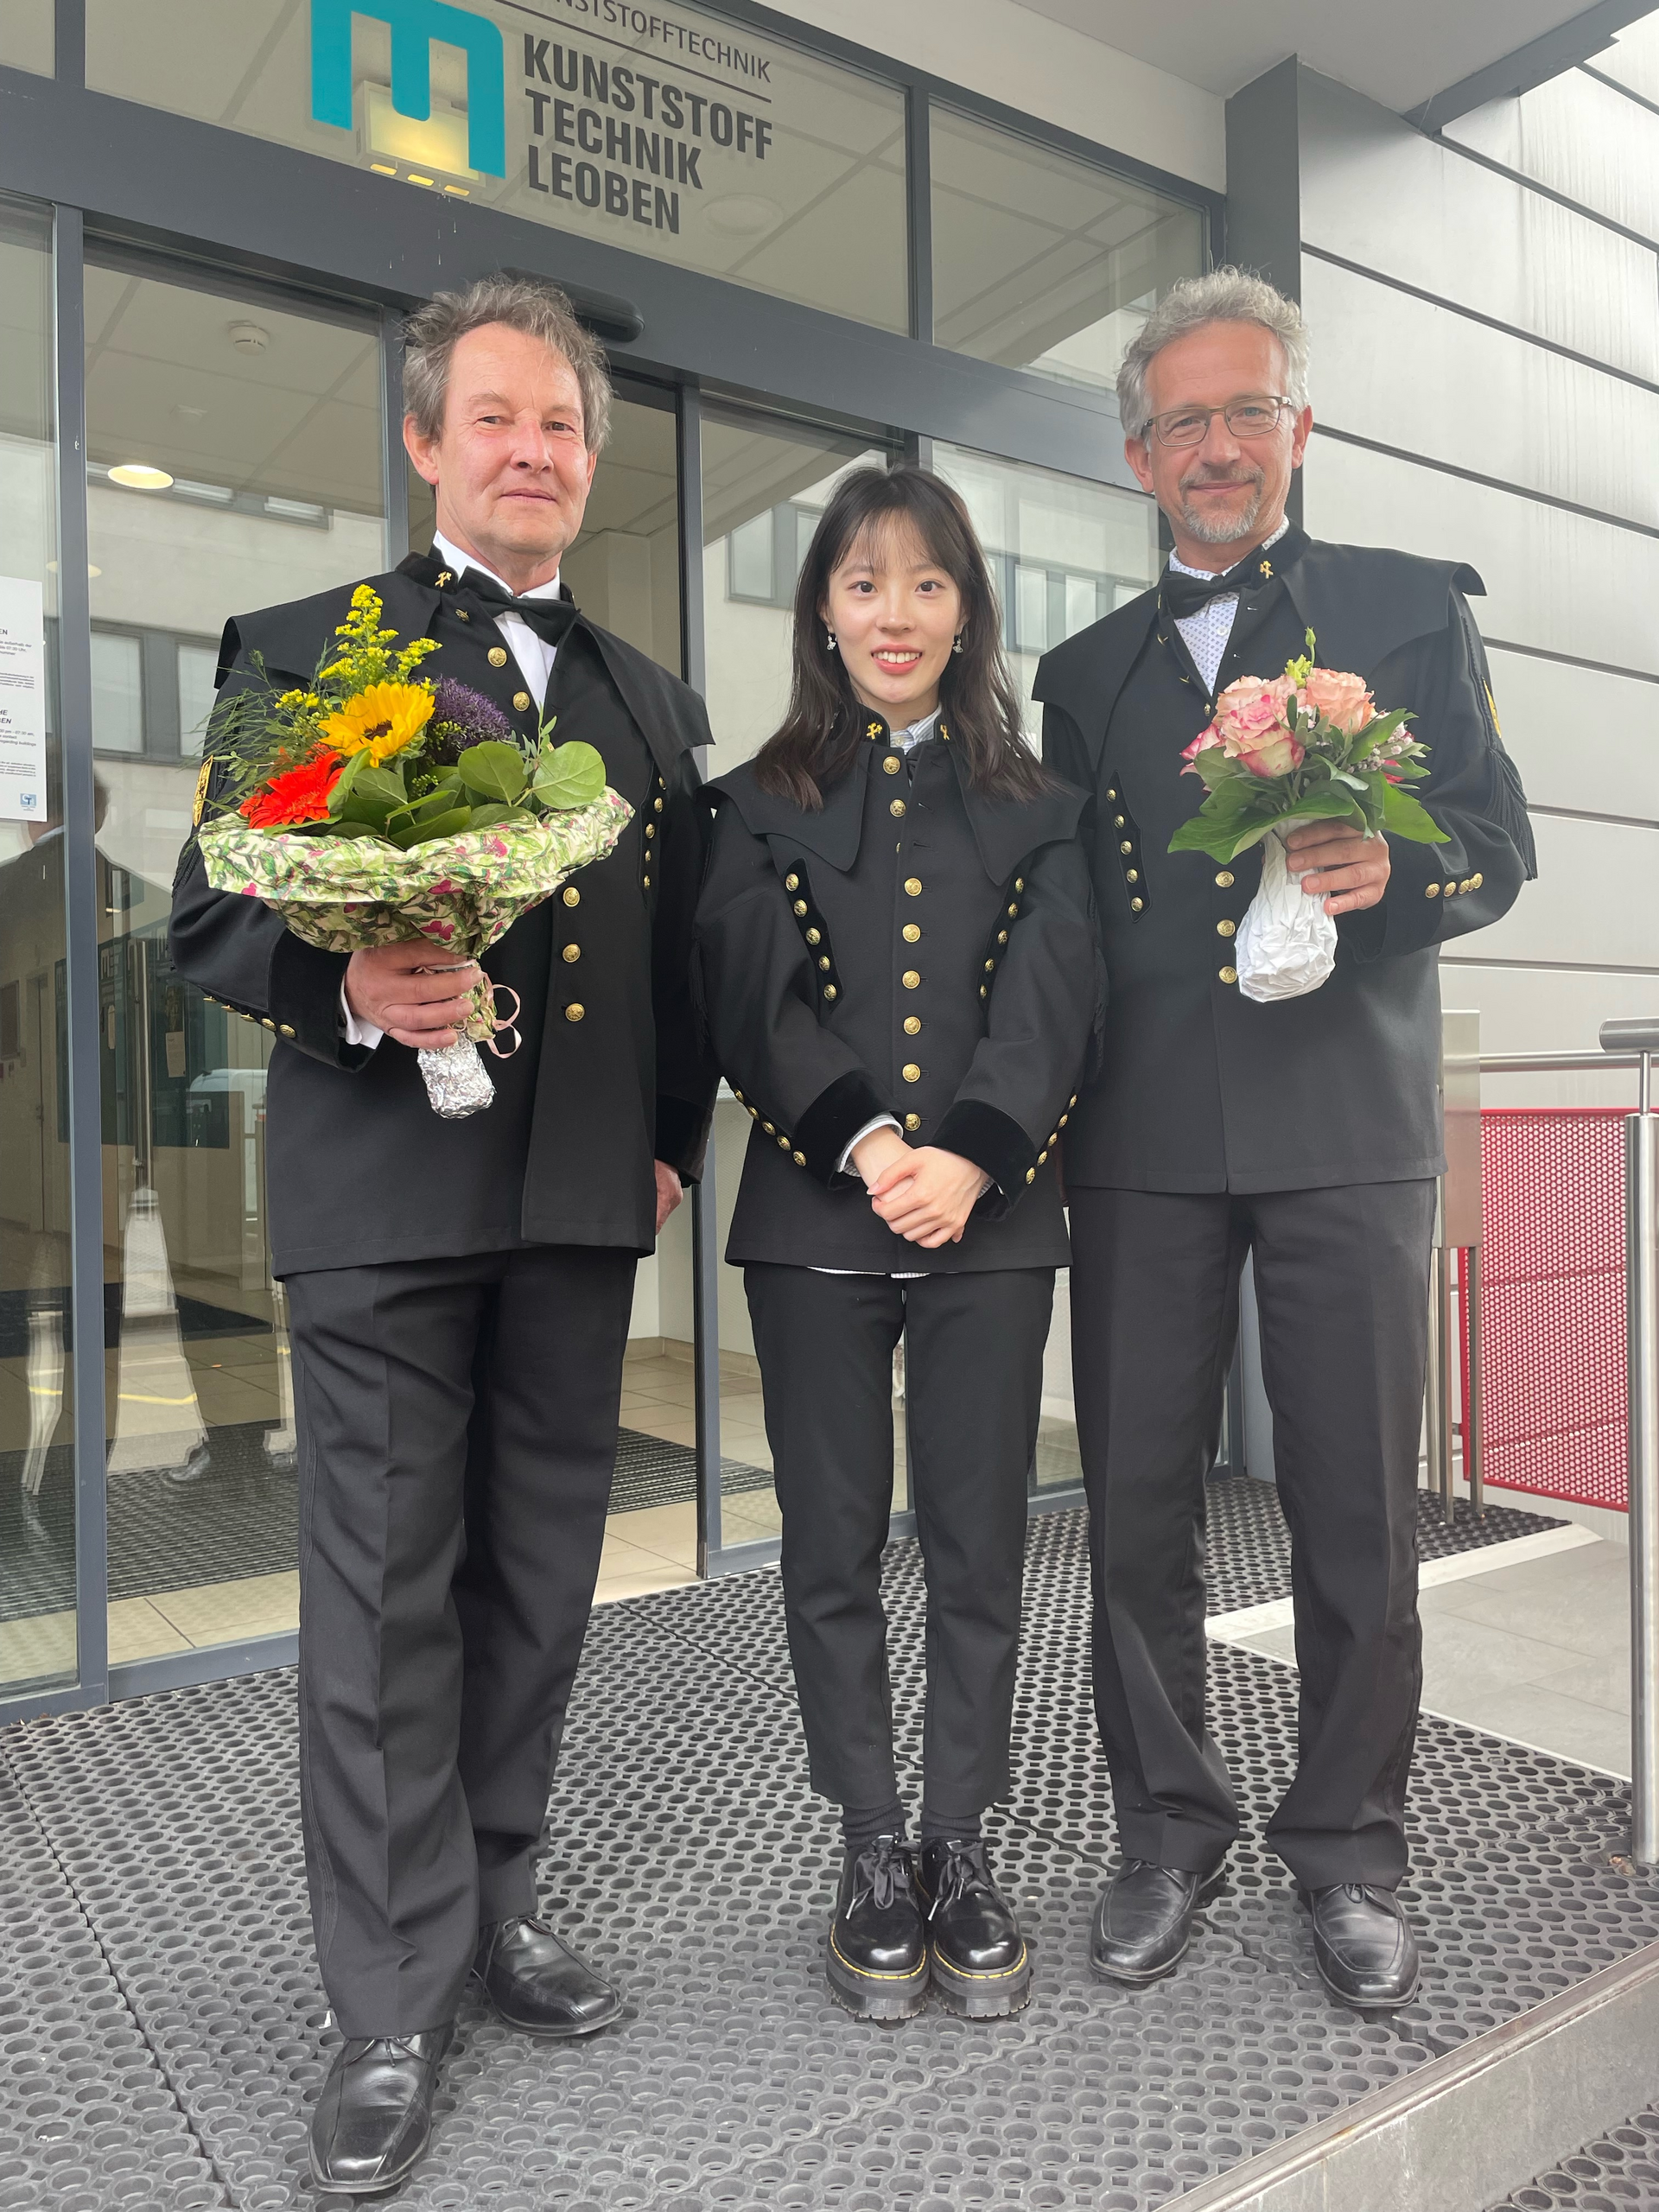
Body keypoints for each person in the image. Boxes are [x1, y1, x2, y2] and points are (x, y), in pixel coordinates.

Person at [168, 274, 717, 2193]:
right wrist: (345, 977)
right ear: (425, 442)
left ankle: (493, 1905)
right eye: (496, 416)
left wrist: (666, 1143)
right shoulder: (302, 652)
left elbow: (683, 962)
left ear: (592, 457)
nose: (532, 449)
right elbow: (211, 911)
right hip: (382, 1200)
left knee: (538, 1580)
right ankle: (389, 1996)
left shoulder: (656, 703)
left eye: (561, 423)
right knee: (389, 1588)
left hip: (576, 1204)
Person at [1036, 269, 1535, 2011]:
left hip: (1346, 1120)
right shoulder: (1078, 673)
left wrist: (1401, 871)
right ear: (1138, 455)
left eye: (1250, 410)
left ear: (1299, 427)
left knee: (1355, 1509)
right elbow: (1060, 926)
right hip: (1141, 1136)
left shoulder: (1407, 608)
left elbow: (1499, 844)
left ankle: (1350, 1847)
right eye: (1185, 421)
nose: (1220, 447)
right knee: (1135, 1510)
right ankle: (1168, 1829)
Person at [695, 464, 1098, 2022]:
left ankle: (959, 1842)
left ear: (967, 609)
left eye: (928, 583)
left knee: (982, 1543)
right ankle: (871, 1845)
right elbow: (754, 1002)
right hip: (818, 1220)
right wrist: (873, 1145)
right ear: (822, 608)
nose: (896, 614)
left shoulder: (1041, 806)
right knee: (833, 1545)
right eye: (864, 583)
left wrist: (973, 1158)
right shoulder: (755, 802)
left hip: (991, 1224)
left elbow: (1055, 998)